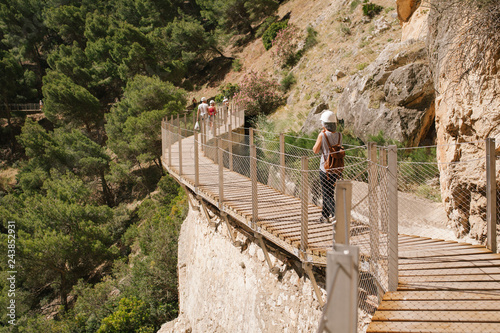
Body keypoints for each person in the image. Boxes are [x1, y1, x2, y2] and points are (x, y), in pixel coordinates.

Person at [313, 110, 342, 223]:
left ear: (324, 124)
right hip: (336, 169)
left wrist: (320, 138)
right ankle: (324, 217)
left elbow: (315, 150)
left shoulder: (322, 135)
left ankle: (335, 214)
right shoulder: (339, 135)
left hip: (325, 169)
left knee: (326, 193)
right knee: (329, 192)